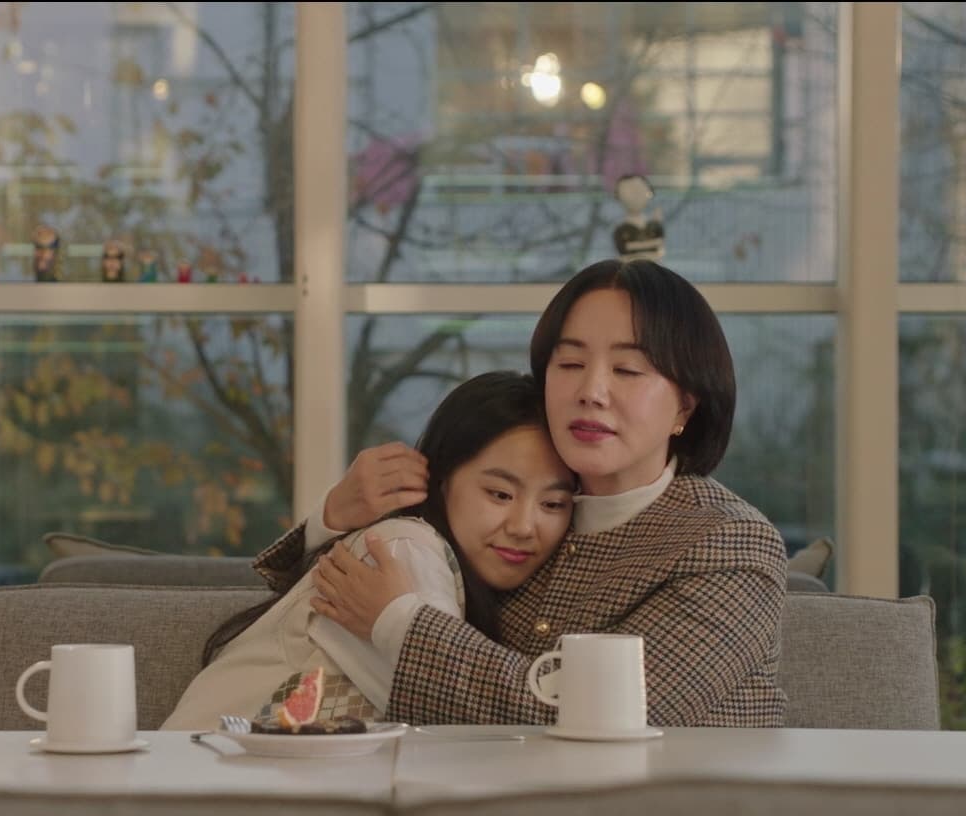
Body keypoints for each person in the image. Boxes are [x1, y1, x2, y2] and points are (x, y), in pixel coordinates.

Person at [261, 258, 788, 727]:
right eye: (570, 364)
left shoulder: (728, 543)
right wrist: (336, 518)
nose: (591, 391)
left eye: (627, 369)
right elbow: (294, 619)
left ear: (685, 407)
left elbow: (615, 717)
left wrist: (397, 622)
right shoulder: (520, 511)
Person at [161, 371, 574, 730]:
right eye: (500, 494)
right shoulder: (400, 551)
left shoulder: (466, 573)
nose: (523, 527)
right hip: (205, 778)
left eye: (553, 504)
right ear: (440, 479)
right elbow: (463, 726)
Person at [611, 174, 665, 262]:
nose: (635, 195)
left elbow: (659, 246)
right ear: (618, 196)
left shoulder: (653, 225)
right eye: (629, 191)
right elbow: (624, 249)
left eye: (639, 189)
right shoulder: (621, 228)